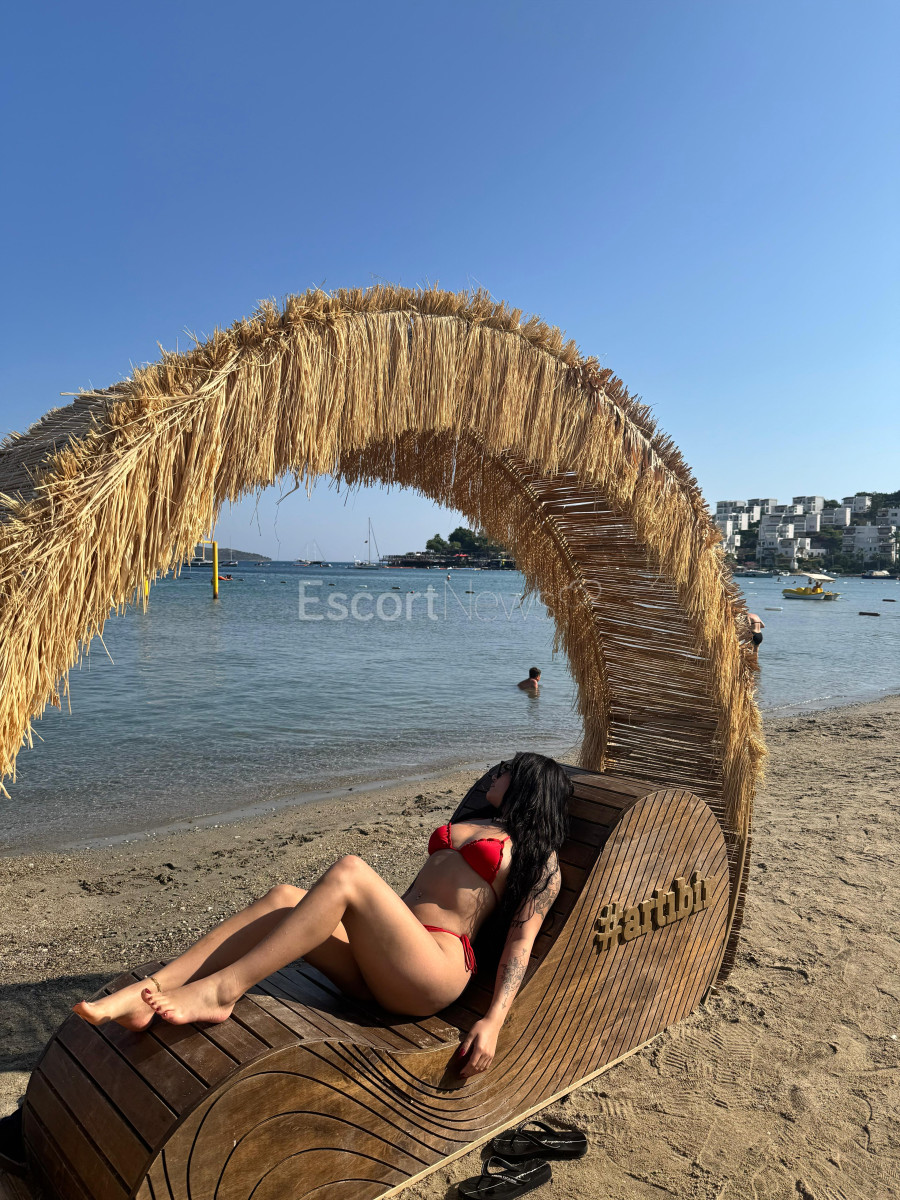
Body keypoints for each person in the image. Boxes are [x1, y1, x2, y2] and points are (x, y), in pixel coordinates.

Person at [73, 753, 572, 1078]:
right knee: (284, 897)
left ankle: (222, 991)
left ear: (529, 785)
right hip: (383, 959)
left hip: (431, 972)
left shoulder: (539, 861)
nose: (496, 772)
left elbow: (520, 945)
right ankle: (149, 992)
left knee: (351, 871)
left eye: (509, 768)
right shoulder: (477, 820)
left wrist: (493, 1021)